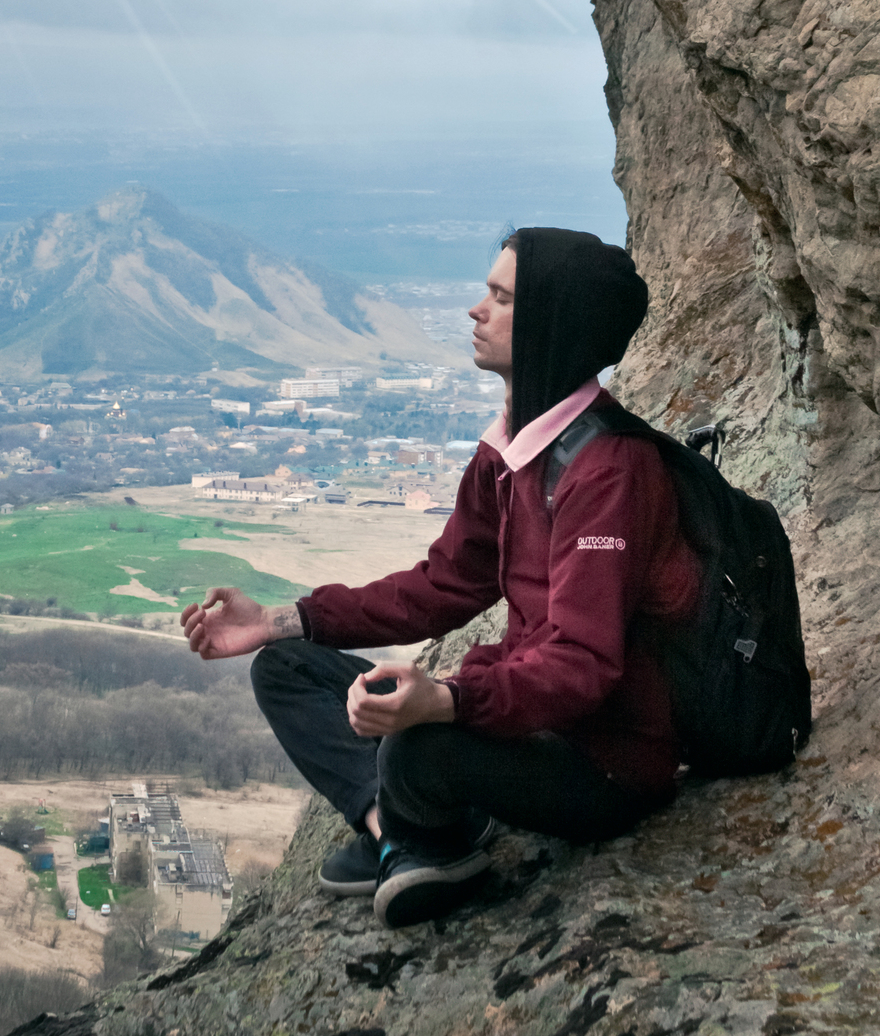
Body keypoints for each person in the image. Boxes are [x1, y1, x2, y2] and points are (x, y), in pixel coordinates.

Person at [180, 229, 702, 930]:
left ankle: (431, 836)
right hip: (530, 730)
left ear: (550, 319)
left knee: (420, 736)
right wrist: (280, 619)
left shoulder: (610, 471)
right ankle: (395, 830)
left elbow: (583, 665)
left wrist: (452, 700)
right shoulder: (512, 453)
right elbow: (442, 585)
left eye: (501, 296)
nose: (475, 310)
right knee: (286, 669)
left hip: (603, 764)